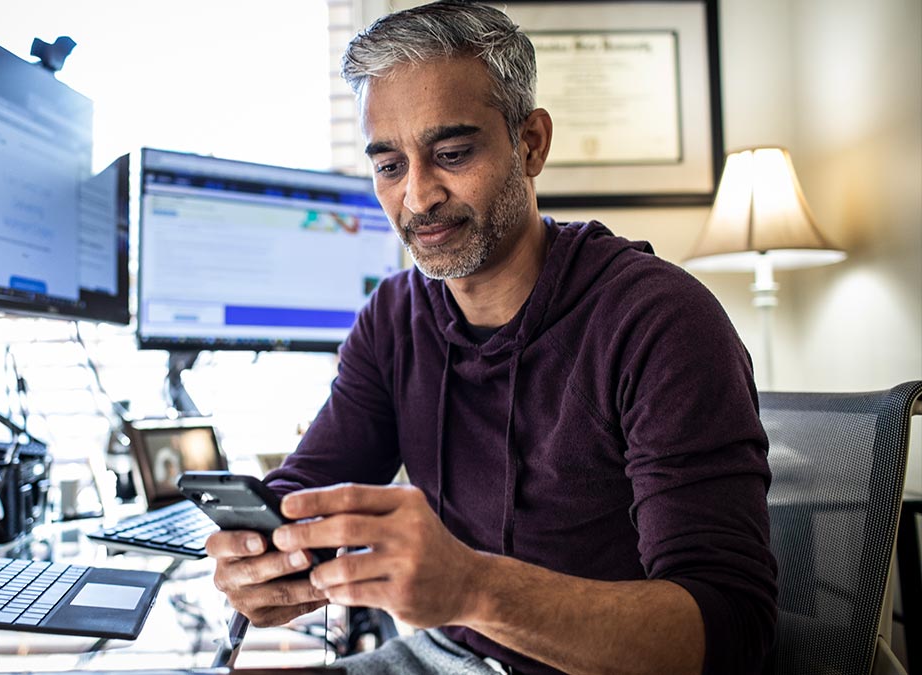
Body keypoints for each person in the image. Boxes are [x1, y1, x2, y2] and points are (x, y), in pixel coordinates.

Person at [204, 2, 777, 673]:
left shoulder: (661, 321)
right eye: (389, 165)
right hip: (447, 653)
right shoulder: (394, 318)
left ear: (530, 143)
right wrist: (263, 555)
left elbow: (732, 632)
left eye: (451, 153)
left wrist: (474, 587)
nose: (417, 197)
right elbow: (310, 488)